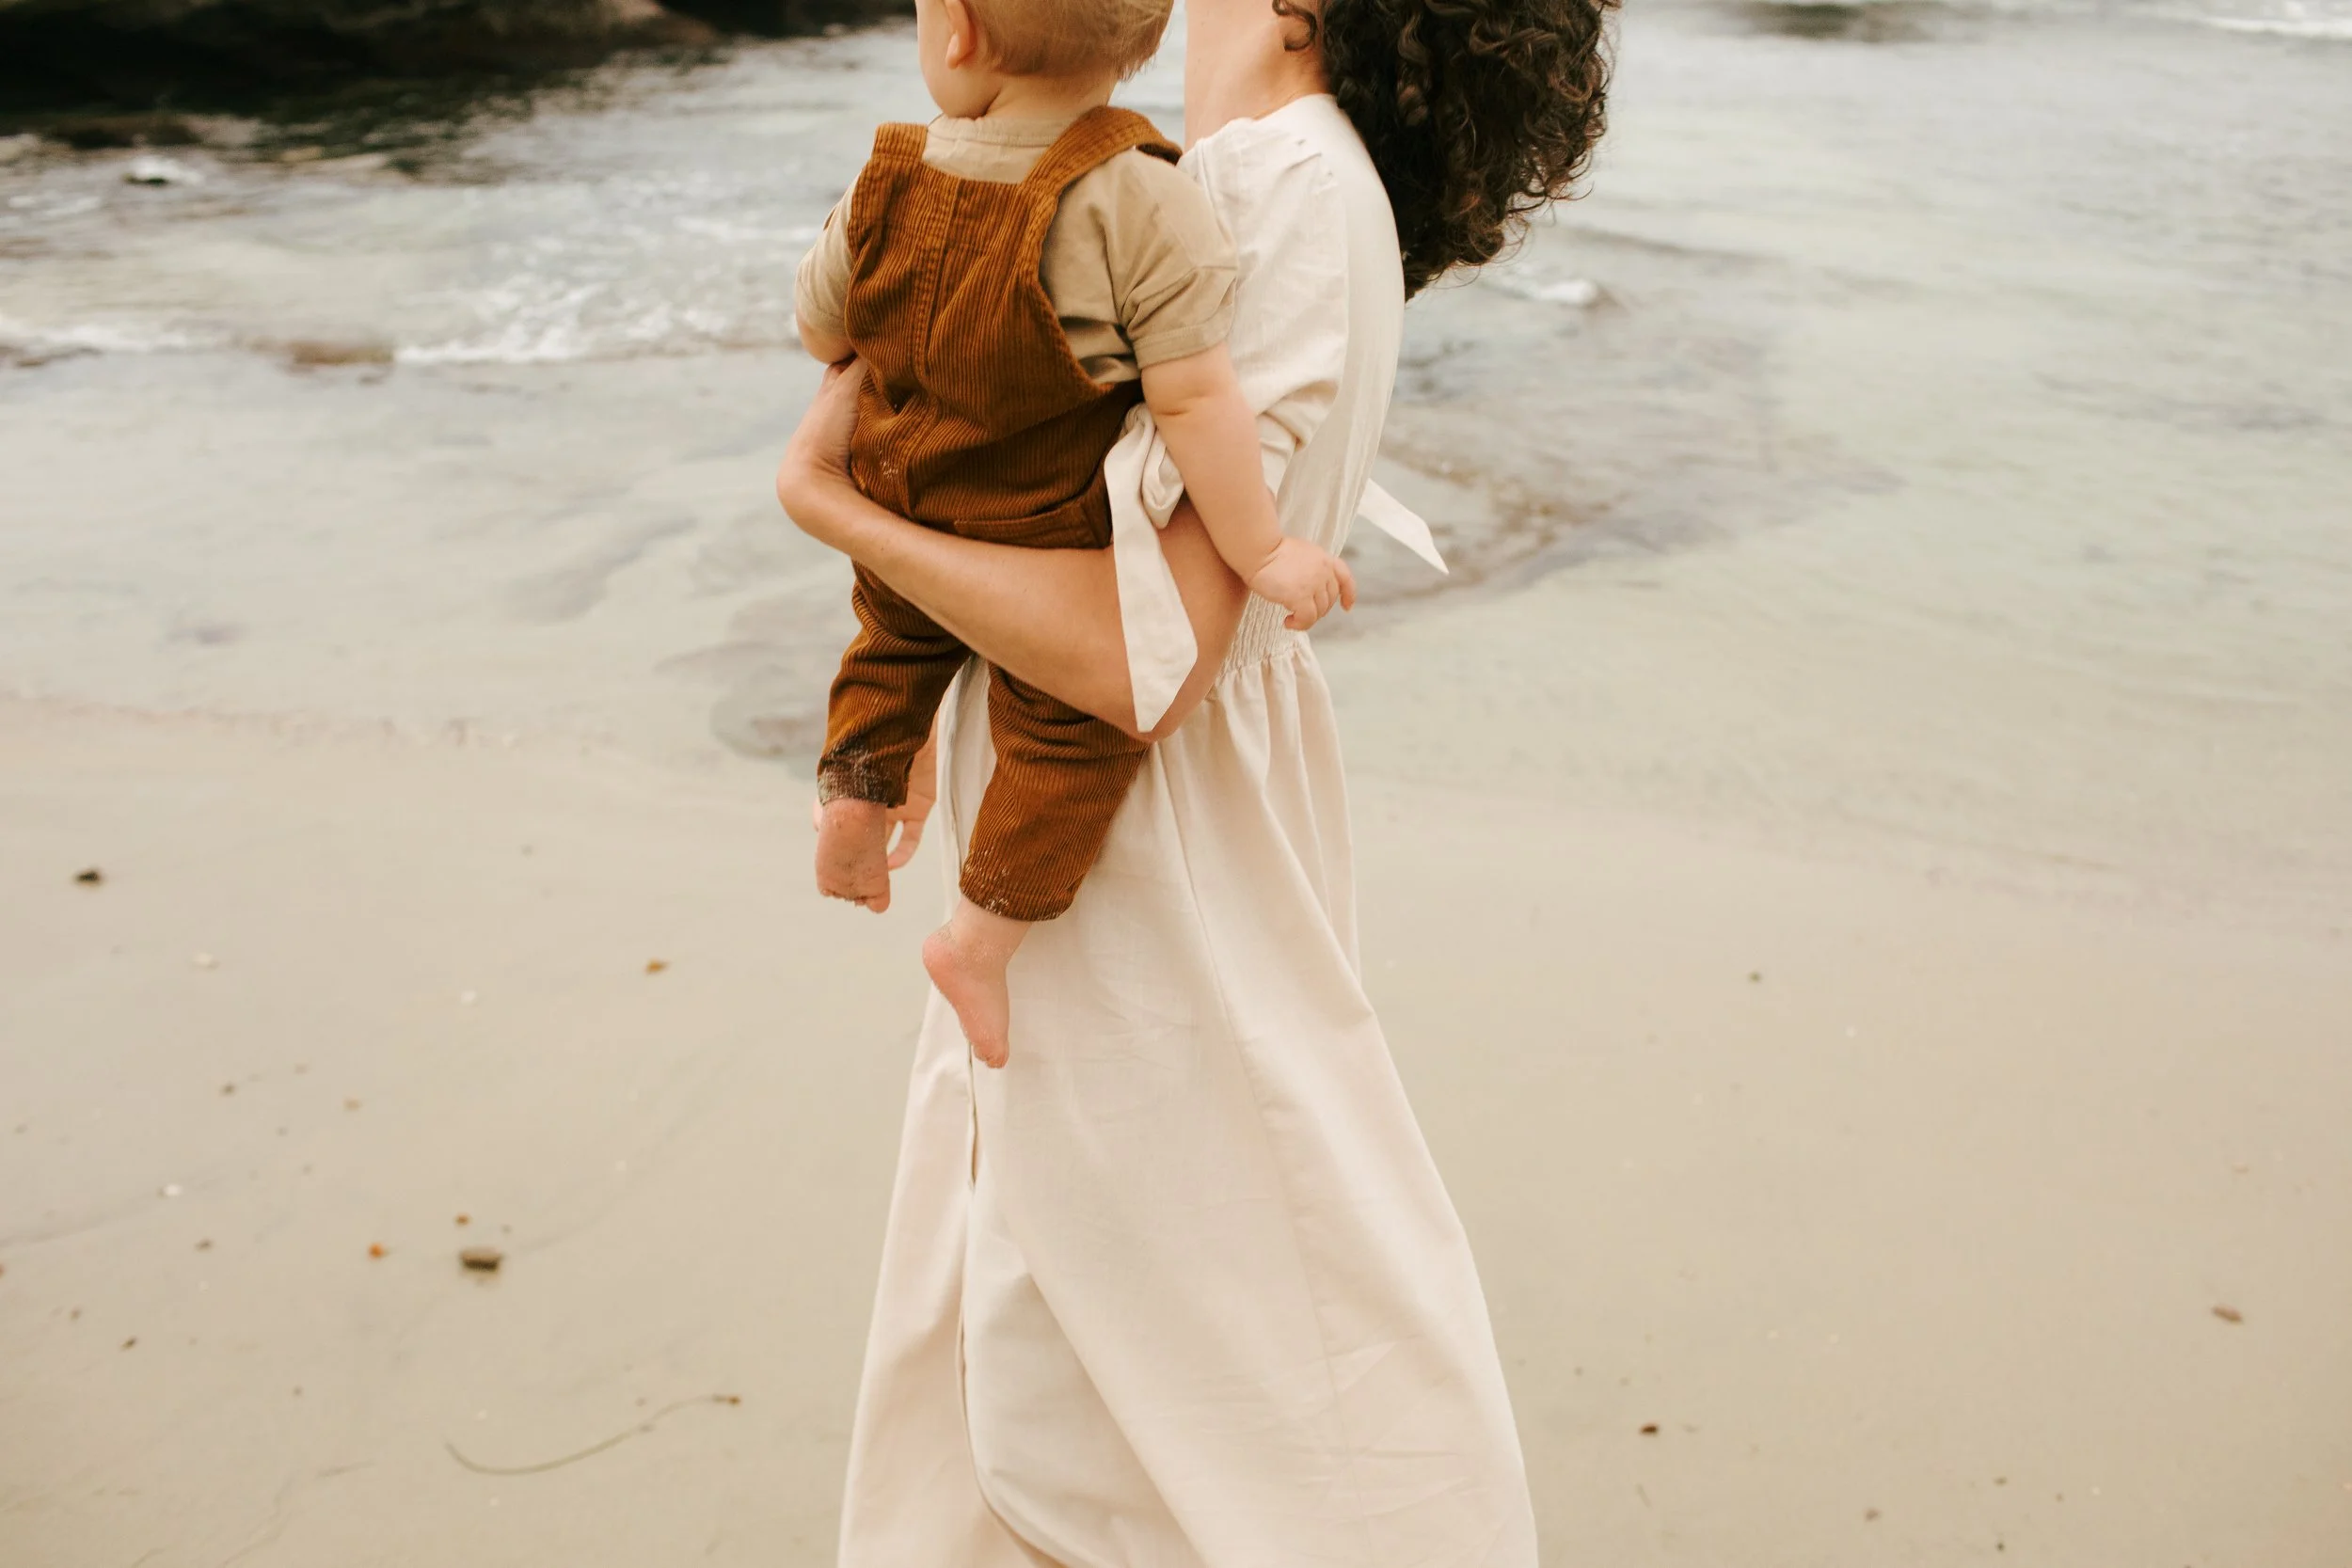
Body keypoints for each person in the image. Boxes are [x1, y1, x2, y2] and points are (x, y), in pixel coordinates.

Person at [775, 0, 1617, 1554]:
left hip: (1135, 842)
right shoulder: (1255, 172)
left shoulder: (1278, 186)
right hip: (1109, 816)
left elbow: (1133, 653)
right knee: (1084, 1340)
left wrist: (836, 509)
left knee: (1263, 1376)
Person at [794, 0, 1355, 1069]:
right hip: (1039, 533)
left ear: (956, 32)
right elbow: (1197, 406)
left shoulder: (880, 182)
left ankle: (858, 793)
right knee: (1072, 743)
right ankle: (978, 939)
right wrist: (1263, 550)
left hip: (901, 501)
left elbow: (824, 327)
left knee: (887, 645)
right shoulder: (1143, 196)